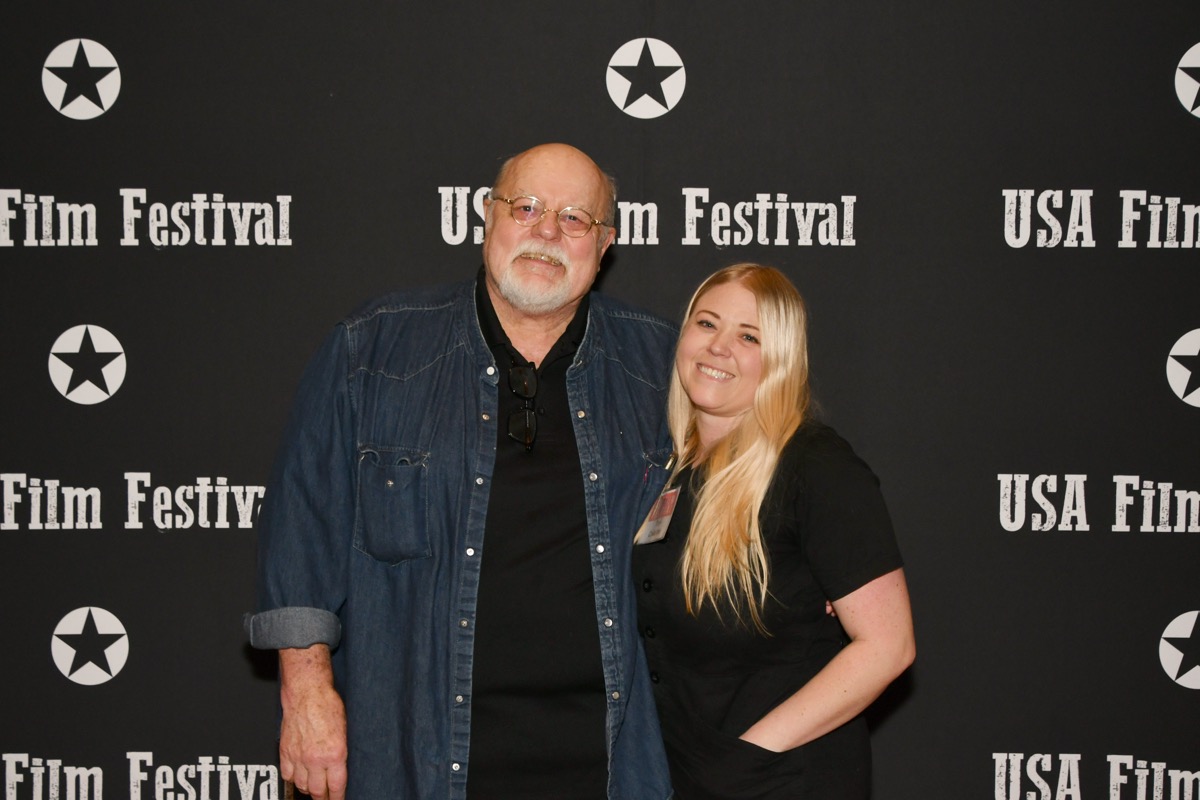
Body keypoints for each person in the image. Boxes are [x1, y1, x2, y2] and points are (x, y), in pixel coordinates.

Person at [245, 143, 676, 800]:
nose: (546, 232)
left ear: (606, 241)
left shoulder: (661, 366)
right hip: (415, 754)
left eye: (574, 219)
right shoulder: (374, 349)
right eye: (526, 207)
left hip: (611, 759)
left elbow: (742, 497)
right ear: (487, 216)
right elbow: (302, 527)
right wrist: (305, 694)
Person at [632, 264, 915, 799]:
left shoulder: (816, 467)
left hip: (781, 782)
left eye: (748, 336)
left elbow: (888, 645)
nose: (719, 347)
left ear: (780, 358)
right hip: (689, 777)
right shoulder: (668, 468)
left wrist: (753, 752)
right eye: (707, 323)